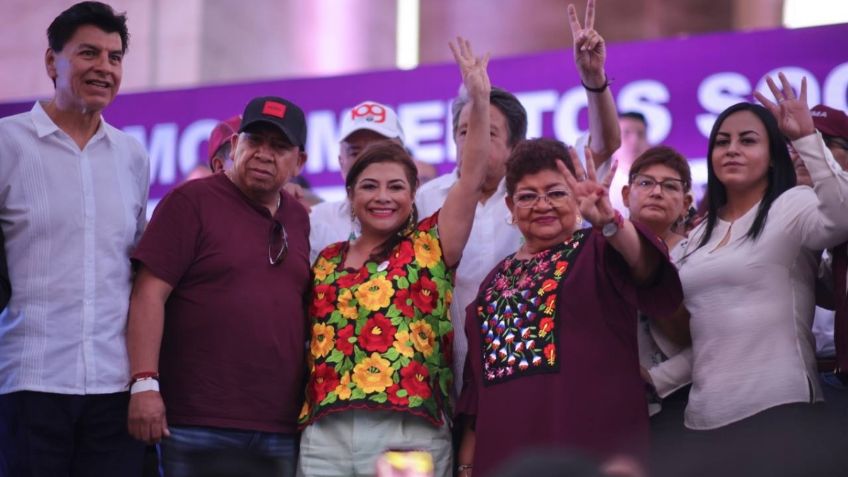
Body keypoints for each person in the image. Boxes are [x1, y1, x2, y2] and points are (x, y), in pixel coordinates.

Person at [296, 37, 491, 477]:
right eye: (369, 186)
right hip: (325, 433)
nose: (382, 197)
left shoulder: (430, 244)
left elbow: (474, 171)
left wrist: (478, 101)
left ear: (413, 194)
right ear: (349, 194)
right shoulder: (324, 258)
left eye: (395, 186)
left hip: (409, 430)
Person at [415, 0, 620, 396]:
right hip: (446, 373)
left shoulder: (537, 190)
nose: (470, 140)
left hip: (532, 361)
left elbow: (604, 143)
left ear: (515, 145)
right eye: (463, 130)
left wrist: (593, 80)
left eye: (487, 131)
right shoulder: (428, 198)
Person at [456, 137, 683, 476]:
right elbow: (476, 397)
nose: (542, 204)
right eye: (528, 196)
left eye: (556, 193)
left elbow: (645, 266)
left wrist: (610, 223)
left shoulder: (599, 248)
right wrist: (465, 467)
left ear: (577, 199)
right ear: (510, 207)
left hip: (595, 454)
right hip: (504, 459)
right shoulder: (491, 284)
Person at [649, 75, 848, 439]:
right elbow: (706, 337)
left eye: (748, 140)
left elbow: (842, 217)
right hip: (701, 420)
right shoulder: (696, 234)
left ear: (774, 158)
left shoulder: (792, 206)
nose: (732, 149)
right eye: (722, 142)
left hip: (780, 409)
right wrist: (655, 381)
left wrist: (806, 138)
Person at [126, 96, 310, 477]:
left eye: (278, 147)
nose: (263, 154)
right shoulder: (190, 201)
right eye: (254, 141)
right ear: (235, 145)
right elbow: (148, 294)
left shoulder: (299, 218)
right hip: (196, 419)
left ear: (299, 162)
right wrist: (144, 383)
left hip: (278, 424)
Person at [0, 2, 148, 475]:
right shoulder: (7, 143)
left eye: (114, 57)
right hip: (27, 380)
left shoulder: (132, 156)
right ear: (51, 62)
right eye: (89, 53)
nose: (104, 67)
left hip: (112, 388)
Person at [308, 100, 405, 262]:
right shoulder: (316, 220)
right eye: (355, 152)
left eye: (378, 151)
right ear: (341, 162)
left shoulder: (426, 215)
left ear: (404, 160)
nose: (365, 161)